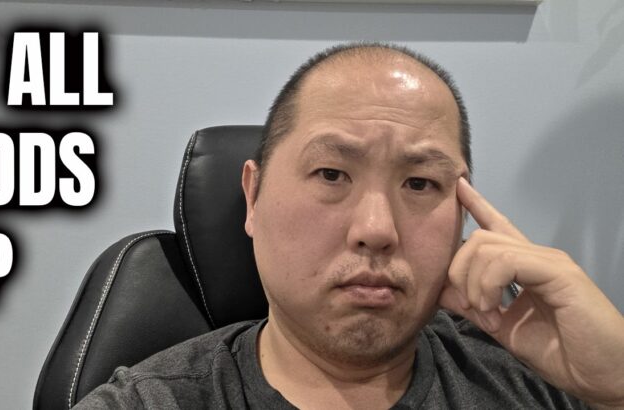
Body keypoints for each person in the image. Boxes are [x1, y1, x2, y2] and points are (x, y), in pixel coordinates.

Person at [74, 43, 624, 409]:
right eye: (332, 174)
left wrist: (614, 388)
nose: (377, 229)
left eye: (419, 184)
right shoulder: (150, 402)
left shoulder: (536, 379)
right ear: (253, 196)